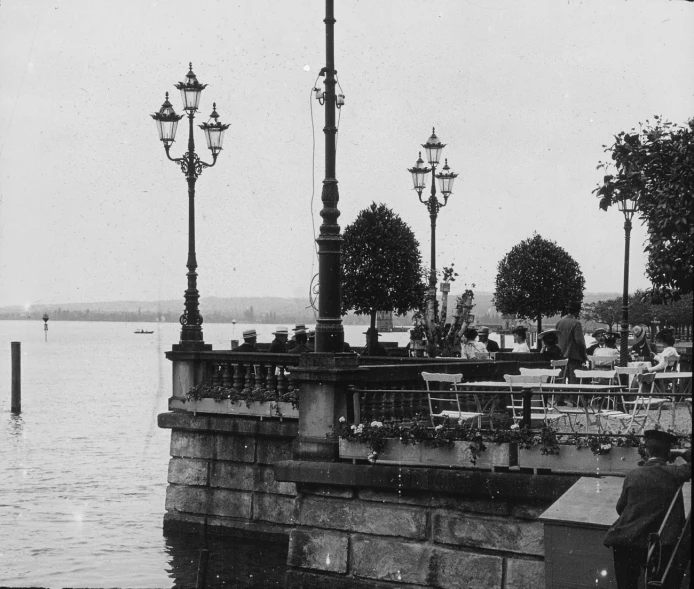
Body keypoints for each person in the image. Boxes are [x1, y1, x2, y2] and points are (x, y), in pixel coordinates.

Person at [604, 429, 691, 589]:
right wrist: (680, 452)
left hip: (624, 541)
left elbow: (620, 508)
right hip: (654, 546)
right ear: (668, 453)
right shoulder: (676, 473)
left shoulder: (633, 474)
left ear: (646, 451)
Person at [556, 300, 588, 384]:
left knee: (561, 382)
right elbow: (579, 342)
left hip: (561, 357)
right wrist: (583, 356)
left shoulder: (559, 322)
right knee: (574, 383)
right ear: (577, 312)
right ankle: (572, 397)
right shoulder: (576, 323)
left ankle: (561, 397)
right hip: (574, 357)